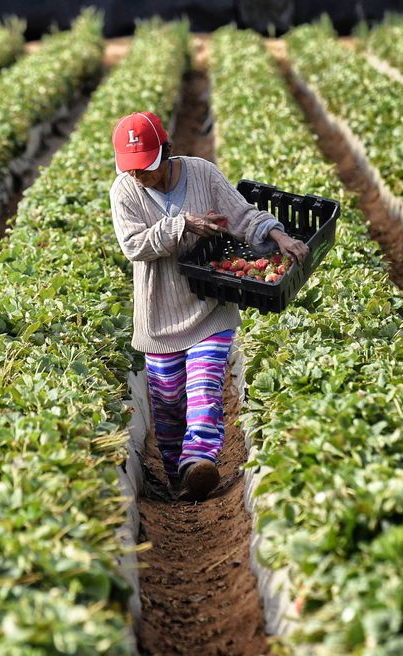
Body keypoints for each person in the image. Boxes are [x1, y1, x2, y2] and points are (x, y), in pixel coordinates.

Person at [109, 111, 308, 501]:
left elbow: (243, 214)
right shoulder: (124, 192)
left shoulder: (202, 174)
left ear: (166, 152)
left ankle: (197, 461)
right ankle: (176, 474)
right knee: (166, 406)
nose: (138, 176)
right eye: (132, 169)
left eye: (145, 167)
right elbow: (133, 245)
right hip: (159, 314)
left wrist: (277, 235)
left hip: (209, 308)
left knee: (204, 387)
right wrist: (183, 224)